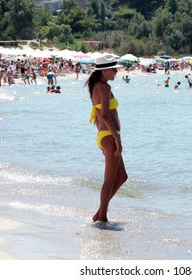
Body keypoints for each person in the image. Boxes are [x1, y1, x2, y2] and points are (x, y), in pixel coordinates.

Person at [85, 54, 128, 222]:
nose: (116, 72)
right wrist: (117, 140)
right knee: (109, 180)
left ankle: (99, 213)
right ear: (105, 70)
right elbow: (104, 115)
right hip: (110, 137)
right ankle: (102, 217)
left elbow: (97, 116)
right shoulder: (104, 87)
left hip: (105, 136)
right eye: (114, 69)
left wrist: (102, 140)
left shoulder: (97, 86)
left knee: (122, 177)